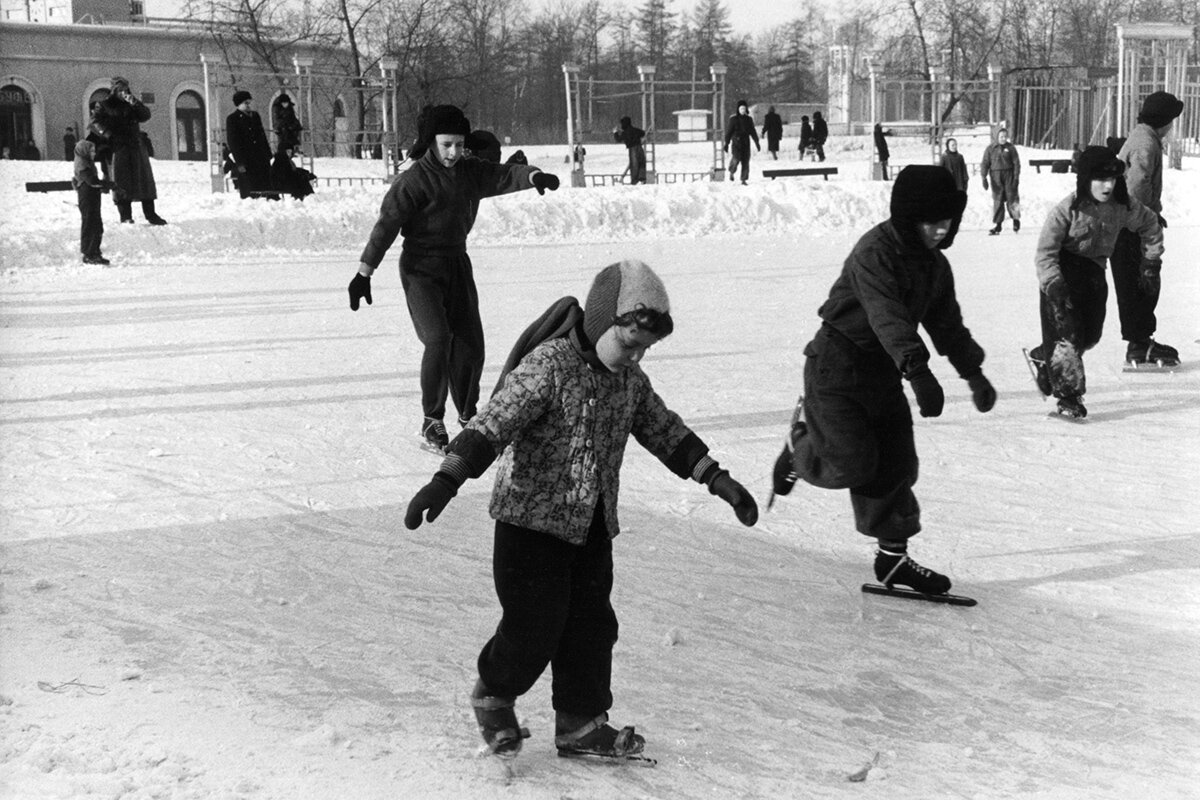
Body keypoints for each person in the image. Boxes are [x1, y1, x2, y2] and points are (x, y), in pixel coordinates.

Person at [403, 260, 759, 759]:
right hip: (530, 526)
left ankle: (580, 722)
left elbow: (664, 430)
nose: (635, 356)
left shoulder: (629, 381)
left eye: (644, 348)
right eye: (630, 342)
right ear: (600, 323)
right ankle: (493, 695)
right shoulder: (549, 366)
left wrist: (717, 478)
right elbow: (492, 425)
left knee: (592, 627)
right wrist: (445, 481)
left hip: (591, 527)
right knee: (534, 626)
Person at [770, 165, 995, 595]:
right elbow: (885, 314)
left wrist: (974, 372)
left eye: (946, 221)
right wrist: (919, 371)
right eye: (930, 222)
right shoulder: (873, 253)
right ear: (908, 218)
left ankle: (893, 560)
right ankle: (801, 448)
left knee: (896, 463)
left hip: (884, 372)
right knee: (850, 465)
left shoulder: (934, 266)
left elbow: (947, 324)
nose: (939, 230)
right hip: (837, 366)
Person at [348, 104, 561, 453]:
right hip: (421, 269)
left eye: (459, 145)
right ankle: (432, 420)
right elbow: (386, 226)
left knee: (470, 344)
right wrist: (364, 273)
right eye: (447, 144)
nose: (453, 153)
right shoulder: (413, 181)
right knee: (437, 338)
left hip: (457, 265)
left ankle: (467, 416)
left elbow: (503, 174)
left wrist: (534, 176)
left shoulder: (470, 171)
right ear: (430, 142)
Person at [1026, 147, 1164, 419]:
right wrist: (1053, 283)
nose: (1107, 186)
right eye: (1100, 180)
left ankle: (1044, 353)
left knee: (1090, 337)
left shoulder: (1123, 206)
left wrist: (1151, 261)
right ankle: (1069, 398)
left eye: (1112, 180)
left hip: (1093, 274)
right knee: (1068, 337)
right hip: (1062, 276)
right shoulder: (1067, 210)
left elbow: (1151, 225)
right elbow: (1045, 253)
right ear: (1086, 180)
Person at [1111, 90, 1184, 369]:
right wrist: (1146, 218)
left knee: (1140, 282)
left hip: (1130, 223)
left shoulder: (1144, 137)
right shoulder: (1146, 144)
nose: (1172, 126)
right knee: (1141, 282)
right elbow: (1137, 186)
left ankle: (1140, 340)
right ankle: (1139, 344)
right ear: (1163, 120)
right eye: (1172, 120)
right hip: (1131, 227)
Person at [91, 77, 166, 225]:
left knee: (144, 181)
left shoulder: (132, 103)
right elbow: (95, 122)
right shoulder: (104, 105)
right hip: (119, 147)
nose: (123, 93)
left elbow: (145, 115)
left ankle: (150, 214)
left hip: (136, 145)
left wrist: (135, 103)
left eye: (125, 89)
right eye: (120, 90)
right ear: (113, 91)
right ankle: (125, 216)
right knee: (121, 181)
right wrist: (109, 135)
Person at [226, 91, 276, 199]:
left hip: (261, 157)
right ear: (239, 104)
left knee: (266, 187)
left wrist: (268, 154)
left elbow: (262, 136)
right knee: (250, 188)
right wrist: (239, 162)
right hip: (246, 159)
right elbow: (233, 142)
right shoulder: (232, 119)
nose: (248, 105)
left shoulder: (255, 116)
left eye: (249, 102)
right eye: (246, 103)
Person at [72, 135, 112, 265]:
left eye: (94, 151)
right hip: (87, 197)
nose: (94, 153)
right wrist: (108, 185)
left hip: (92, 196)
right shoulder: (82, 163)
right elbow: (91, 180)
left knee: (96, 225)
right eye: (91, 151)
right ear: (84, 151)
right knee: (90, 224)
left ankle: (95, 252)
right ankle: (89, 253)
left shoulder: (88, 162)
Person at [980, 127, 1021, 235]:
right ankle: (998, 225)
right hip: (996, 177)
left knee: (1012, 198)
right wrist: (984, 177)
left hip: (1009, 175)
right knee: (998, 200)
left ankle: (1016, 220)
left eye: (1005, 136)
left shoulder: (1011, 148)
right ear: (996, 137)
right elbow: (985, 163)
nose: (1003, 138)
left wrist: (1016, 178)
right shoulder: (990, 149)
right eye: (1001, 136)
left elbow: (1016, 163)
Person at [724, 99, 760, 185]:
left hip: (746, 142)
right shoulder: (733, 119)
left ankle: (743, 179)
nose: (743, 110)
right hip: (736, 142)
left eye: (744, 108)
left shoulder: (749, 119)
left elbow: (753, 131)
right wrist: (726, 143)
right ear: (738, 109)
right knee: (736, 159)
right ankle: (732, 171)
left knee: (745, 161)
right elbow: (729, 132)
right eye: (741, 108)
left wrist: (757, 142)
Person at [613, 116, 646, 184]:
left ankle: (634, 181)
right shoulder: (635, 130)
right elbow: (642, 133)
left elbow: (618, 139)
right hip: (639, 147)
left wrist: (615, 132)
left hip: (632, 149)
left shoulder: (624, 133)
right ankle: (642, 178)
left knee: (634, 165)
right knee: (641, 163)